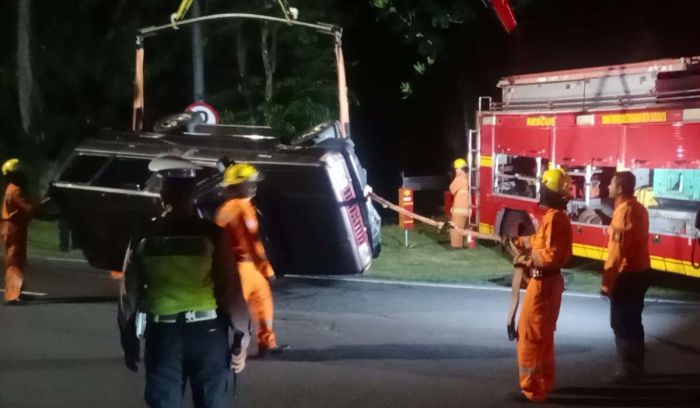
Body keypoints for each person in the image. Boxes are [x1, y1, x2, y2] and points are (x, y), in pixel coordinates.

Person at [118, 157, 250, 408]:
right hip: (208, 334)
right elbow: (230, 292)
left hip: (163, 335)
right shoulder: (212, 234)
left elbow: (129, 294)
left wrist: (129, 339)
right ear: (193, 196)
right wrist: (242, 338)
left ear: (161, 196)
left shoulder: (143, 236)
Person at [508, 168, 573, 403]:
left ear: (549, 191)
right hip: (548, 284)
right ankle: (542, 384)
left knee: (530, 335)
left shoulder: (555, 218)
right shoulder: (555, 217)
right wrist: (522, 241)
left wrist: (527, 258)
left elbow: (550, 255)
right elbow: (542, 243)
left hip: (543, 285)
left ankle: (532, 389)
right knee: (542, 336)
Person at [215, 163, 286, 357]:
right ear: (237, 186)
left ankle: (267, 343)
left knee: (261, 301)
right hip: (241, 266)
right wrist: (267, 268)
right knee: (237, 308)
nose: (254, 186)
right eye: (249, 183)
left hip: (244, 266)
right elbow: (250, 243)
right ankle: (234, 346)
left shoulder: (234, 207)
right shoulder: (239, 208)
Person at [601, 171, 651, 382]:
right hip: (641, 272)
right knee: (634, 320)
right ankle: (637, 367)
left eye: (611, 184)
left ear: (620, 188)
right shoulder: (638, 208)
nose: (608, 187)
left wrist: (606, 283)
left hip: (627, 275)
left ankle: (626, 370)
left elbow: (617, 253)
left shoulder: (624, 212)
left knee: (620, 323)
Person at [2, 158, 44, 305]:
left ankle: (17, 291)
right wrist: (43, 204)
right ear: (12, 175)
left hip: (17, 228)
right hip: (13, 229)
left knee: (19, 260)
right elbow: (28, 209)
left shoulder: (14, 189)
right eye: (19, 174)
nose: (23, 176)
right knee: (14, 260)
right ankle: (12, 295)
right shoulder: (14, 191)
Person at [449, 158, 470, 248]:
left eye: (456, 169)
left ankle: (456, 246)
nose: (455, 170)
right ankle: (466, 244)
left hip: (459, 210)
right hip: (467, 210)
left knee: (456, 229)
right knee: (465, 229)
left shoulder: (460, 178)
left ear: (461, 169)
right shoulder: (468, 177)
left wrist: (454, 177)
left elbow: (452, 189)